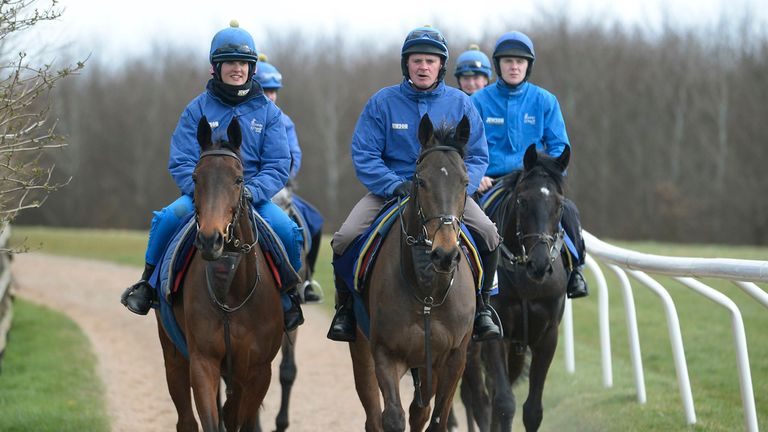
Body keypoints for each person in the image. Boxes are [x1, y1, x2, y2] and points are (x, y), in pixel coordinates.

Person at [120, 21, 305, 330]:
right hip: (204, 197)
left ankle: (289, 297)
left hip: (253, 197)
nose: (237, 69)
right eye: (230, 62)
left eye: (243, 63)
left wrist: (251, 192)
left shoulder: (269, 113)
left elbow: (277, 165)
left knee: (287, 228)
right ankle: (147, 285)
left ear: (252, 68)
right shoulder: (196, 110)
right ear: (215, 67)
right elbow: (181, 161)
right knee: (166, 218)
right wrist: (202, 193)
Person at [327, 25, 502, 343]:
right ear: (406, 64)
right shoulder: (382, 103)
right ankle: (346, 309)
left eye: (430, 61)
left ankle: (483, 309)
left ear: (441, 66)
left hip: (446, 196)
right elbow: (365, 155)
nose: (423, 67)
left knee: (489, 234)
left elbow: (477, 156)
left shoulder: (461, 104)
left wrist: (460, 189)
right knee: (345, 237)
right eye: (417, 60)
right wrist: (393, 184)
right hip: (390, 192)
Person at [472, 30, 589, 299]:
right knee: (466, 222)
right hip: (490, 183)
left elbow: (559, 147)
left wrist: (547, 174)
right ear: (498, 65)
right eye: (508, 61)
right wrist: (477, 175)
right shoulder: (477, 102)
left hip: (535, 178)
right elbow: (466, 148)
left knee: (569, 211)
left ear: (528, 66)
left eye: (520, 61)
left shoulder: (545, 101)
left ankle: (576, 271)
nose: (514, 66)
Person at [255, 54, 325, 302]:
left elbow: (294, 155)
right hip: (244, 188)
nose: (271, 96)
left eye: (274, 91)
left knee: (314, 221)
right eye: (265, 90)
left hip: (278, 188)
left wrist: (279, 180)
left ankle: (306, 280)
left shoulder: (284, 122)